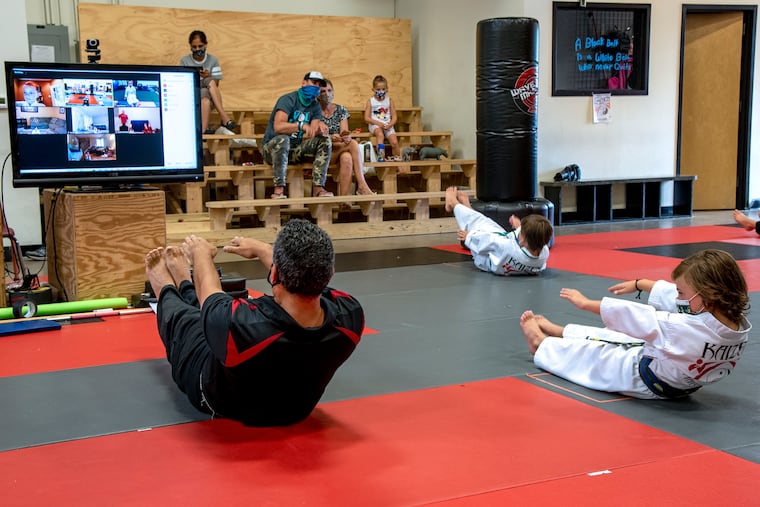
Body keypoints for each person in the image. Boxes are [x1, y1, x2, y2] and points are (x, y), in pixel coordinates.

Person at [144, 219, 365, 426]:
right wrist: (263, 250)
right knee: (214, 320)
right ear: (330, 274)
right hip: (294, 410)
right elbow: (309, 280)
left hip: (218, 400)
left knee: (187, 321)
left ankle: (169, 286)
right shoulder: (351, 316)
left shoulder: (243, 326)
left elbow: (210, 296)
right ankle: (184, 283)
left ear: (275, 271)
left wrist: (201, 255)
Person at [520, 249, 751, 400]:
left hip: (642, 378)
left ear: (708, 292)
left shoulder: (681, 328)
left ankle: (541, 345)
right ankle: (563, 332)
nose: (678, 298)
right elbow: (680, 302)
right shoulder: (733, 321)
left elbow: (634, 315)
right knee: (623, 338)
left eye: (681, 292)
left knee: (595, 356)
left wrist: (586, 303)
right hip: (676, 375)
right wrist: (643, 284)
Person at [445, 186, 553, 275]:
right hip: (504, 257)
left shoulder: (507, 246)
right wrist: (519, 227)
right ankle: (467, 207)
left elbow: (489, 241)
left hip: (487, 259)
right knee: (487, 224)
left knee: (479, 225)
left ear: (524, 239)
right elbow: (533, 237)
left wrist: (469, 236)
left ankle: (453, 203)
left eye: (521, 233)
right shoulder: (543, 253)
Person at [260, 71, 333, 199]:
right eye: (313, 83)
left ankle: (318, 188)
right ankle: (278, 190)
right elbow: (278, 127)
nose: (316, 87)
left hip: (295, 150)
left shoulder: (315, 106)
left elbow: (312, 131)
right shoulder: (288, 99)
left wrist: (320, 129)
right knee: (283, 140)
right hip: (272, 149)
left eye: (318, 85)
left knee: (324, 140)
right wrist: (300, 126)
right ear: (304, 83)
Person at [318, 79, 375, 196]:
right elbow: (314, 135)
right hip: (322, 152)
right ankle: (362, 185)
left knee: (347, 157)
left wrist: (346, 137)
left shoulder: (341, 110)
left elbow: (344, 131)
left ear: (333, 92)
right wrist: (330, 137)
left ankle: (345, 201)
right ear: (318, 94)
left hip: (339, 147)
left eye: (329, 90)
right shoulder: (313, 111)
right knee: (353, 144)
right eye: (323, 91)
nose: (327, 94)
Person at [179, 30, 238, 134]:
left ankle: (203, 130)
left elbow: (216, 84)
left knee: (206, 90)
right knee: (206, 83)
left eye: (200, 46)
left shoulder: (213, 60)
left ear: (205, 45)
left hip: (208, 97)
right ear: (190, 46)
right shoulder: (185, 61)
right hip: (192, 94)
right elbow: (184, 84)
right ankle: (224, 117)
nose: (197, 49)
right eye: (194, 47)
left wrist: (208, 76)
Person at [364, 74, 399, 159]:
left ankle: (399, 163)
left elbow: (394, 116)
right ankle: (381, 157)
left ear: (387, 89)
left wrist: (390, 124)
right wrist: (378, 123)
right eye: (378, 89)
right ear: (373, 89)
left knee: (394, 142)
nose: (381, 91)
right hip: (375, 125)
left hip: (387, 125)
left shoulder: (389, 101)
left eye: (383, 89)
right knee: (380, 135)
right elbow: (366, 118)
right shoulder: (370, 101)